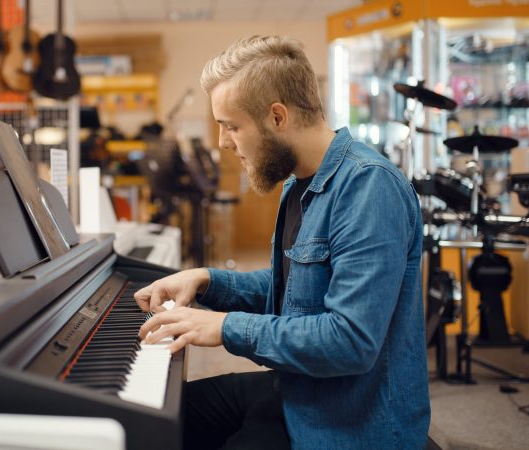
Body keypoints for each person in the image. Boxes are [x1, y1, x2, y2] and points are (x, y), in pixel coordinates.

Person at [135, 35, 429, 449]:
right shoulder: (300, 183)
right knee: (148, 420)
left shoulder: (368, 187)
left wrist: (224, 327)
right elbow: (292, 289)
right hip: (300, 392)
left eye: (231, 126)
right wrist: (206, 280)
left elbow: (350, 341)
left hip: (349, 424)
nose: (223, 142)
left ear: (277, 117)